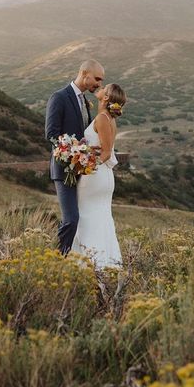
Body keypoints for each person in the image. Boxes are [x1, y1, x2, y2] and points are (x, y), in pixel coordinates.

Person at [45, 59, 105, 255]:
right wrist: (75, 151)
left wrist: (88, 152)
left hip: (82, 170)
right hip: (63, 170)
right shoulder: (59, 97)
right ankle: (56, 257)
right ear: (84, 73)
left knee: (84, 219)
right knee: (71, 218)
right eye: (97, 79)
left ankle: (78, 258)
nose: (99, 84)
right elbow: (51, 134)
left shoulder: (85, 102)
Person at [71, 83, 126, 269]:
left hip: (95, 177)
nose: (100, 88)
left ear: (105, 98)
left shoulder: (103, 118)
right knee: (101, 219)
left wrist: (84, 167)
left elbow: (106, 153)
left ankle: (90, 265)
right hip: (104, 177)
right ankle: (106, 265)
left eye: (104, 88)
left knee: (87, 218)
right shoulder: (109, 119)